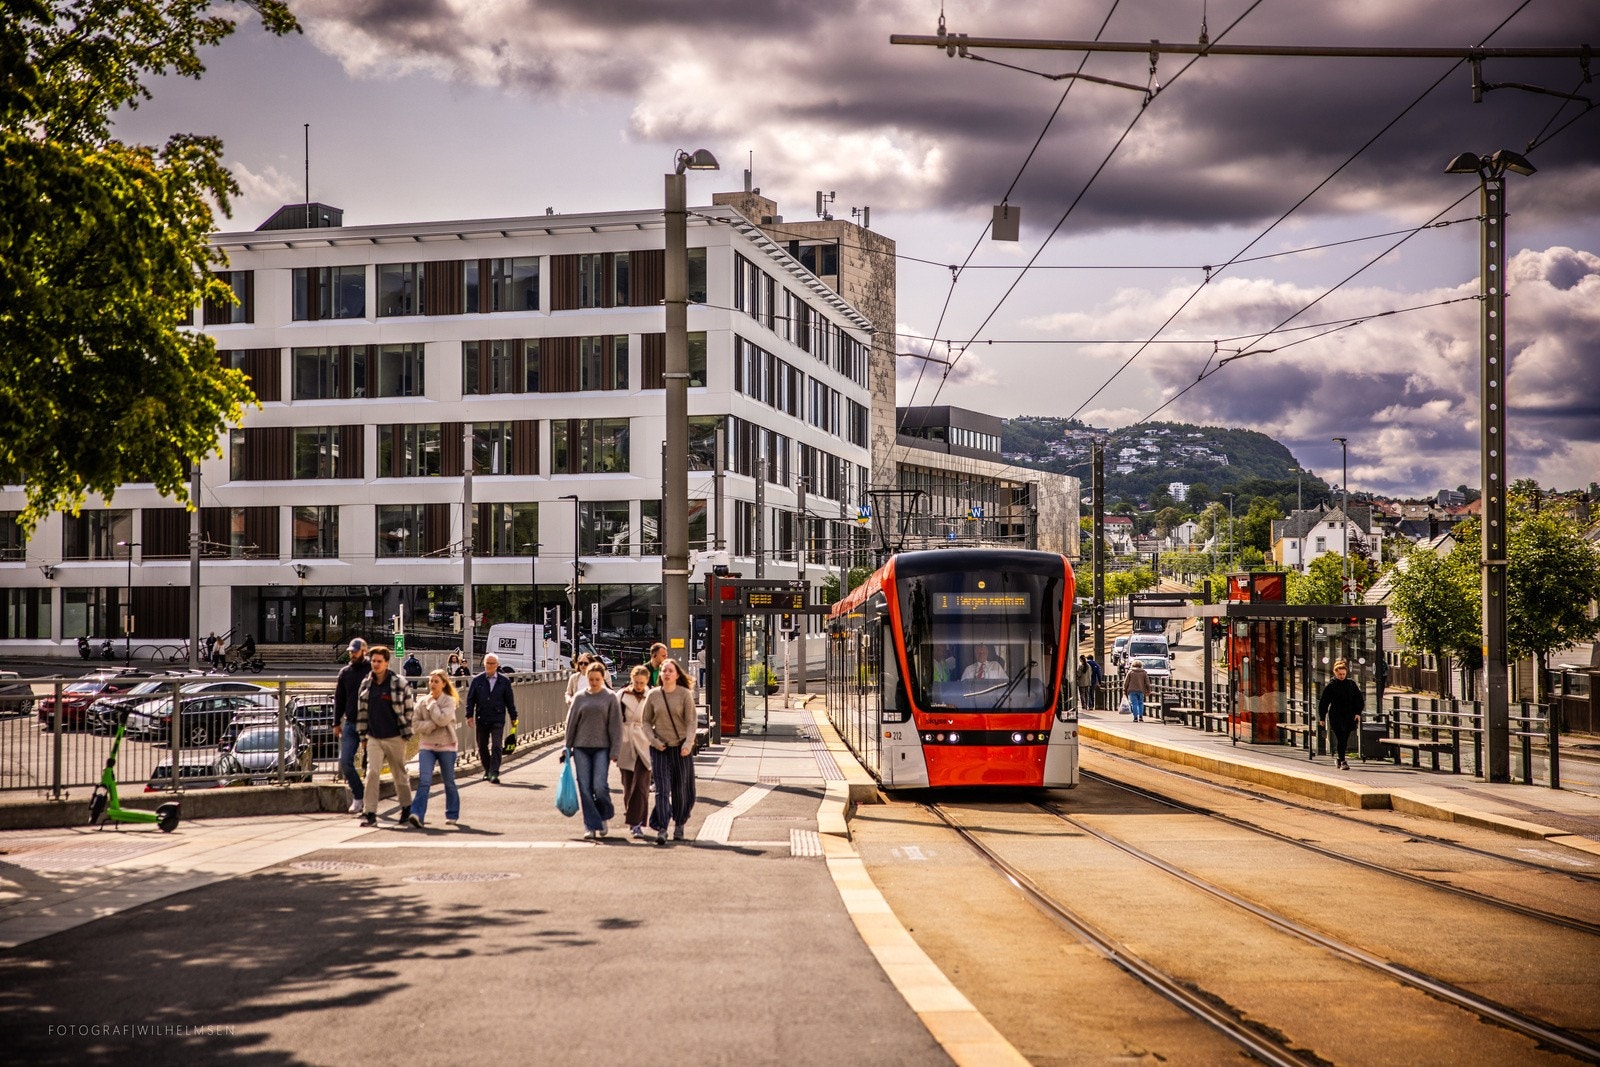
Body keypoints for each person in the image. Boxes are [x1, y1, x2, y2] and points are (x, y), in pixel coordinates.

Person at [356, 646, 416, 827]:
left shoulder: (399, 682)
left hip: (395, 736)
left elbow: (409, 709)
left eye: (379, 661)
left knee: (399, 774)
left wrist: (405, 734)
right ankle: (370, 813)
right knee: (372, 773)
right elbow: (362, 712)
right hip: (374, 737)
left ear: (386, 662)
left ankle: (406, 808)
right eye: (373, 661)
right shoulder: (366, 684)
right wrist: (363, 736)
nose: (375, 664)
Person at [565, 661, 623, 840]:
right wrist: (567, 747)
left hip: (602, 748)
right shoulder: (580, 697)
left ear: (603, 678)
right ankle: (590, 824)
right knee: (584, 786)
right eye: (591, 679)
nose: (594, 682)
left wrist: (615, 749)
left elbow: (615, 725)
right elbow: (571, 723)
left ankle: (604, 815)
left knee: (599, 785)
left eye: (597, 679)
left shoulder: (610, 697)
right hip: (581, 746)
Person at [641, 658, 696, 845]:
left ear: (677, 674)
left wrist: (688, 744)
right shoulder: (654, 695)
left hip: (681, 748)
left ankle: (680, 822)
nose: (666, 673)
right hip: (660, 748)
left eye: (670, 671)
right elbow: (646, 721)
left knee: (681, 790)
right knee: (662, 790)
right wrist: (654, 741)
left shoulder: (684, 695)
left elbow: (691, 721)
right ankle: (662, 828)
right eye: (664, 670)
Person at [410, 669, 461, 828]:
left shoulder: (449, 701)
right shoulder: (422, 701)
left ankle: (452, 813)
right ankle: (417, 814)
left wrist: (432, 706)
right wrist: (432, 725)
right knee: (424, 781)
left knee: (449, 781)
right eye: (431, 681)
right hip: (427, 746)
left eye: (436, 681)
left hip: (446, 746)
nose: (432, 684)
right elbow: (415, 724)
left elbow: (443, 719)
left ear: (444, 684)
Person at [616, 664, 655, 838]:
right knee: (628, 785)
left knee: (641, 785)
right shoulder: (622, 695)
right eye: (636, 682)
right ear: (631, 680)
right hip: (625, 741)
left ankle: (637, 823)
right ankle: (633, 819)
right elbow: (614, 721)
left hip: (644, 742)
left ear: (646, 681)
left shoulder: (651, 696)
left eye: (642, 683)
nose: (639, 685)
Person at [465, 652, 517, 783]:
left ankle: (494, 772)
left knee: (497, 745)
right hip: (482, 717)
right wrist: (469, 715)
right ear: (484, 664)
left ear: (497, 665)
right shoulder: (477, 680)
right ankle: (487, 770)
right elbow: (470, 699)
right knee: (482, 746)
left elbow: (509, 701)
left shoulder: (504, 681)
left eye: (492, 663)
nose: (490, 666)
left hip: (497, 717)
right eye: (488, 663)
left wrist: (513, 716)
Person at [332, 638, 370, 813]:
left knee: (369, 765)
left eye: (355, 651)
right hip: (351, 723)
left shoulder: (372, 670)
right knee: (345, 761)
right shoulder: (345, 673)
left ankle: (371, 800)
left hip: (370, 725)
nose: (352, 654)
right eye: (350, 652)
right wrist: (336, 722)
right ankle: (359, 796)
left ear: (364, 651)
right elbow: (339, 699)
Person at [1318, 658, 1364, 770]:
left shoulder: (1351, 684)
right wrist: (1322, 717)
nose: (1342, 676)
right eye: (1339, 674)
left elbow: (1359, 699)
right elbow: (1324, 702)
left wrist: (1358, 712)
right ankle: (1343, 760)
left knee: (1345, 737)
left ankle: (1339, 758)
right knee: (1341, 737)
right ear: (1335, 673)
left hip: (1349, 715)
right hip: (1336, 715)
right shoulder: (1331, 686)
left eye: (1343, 674)